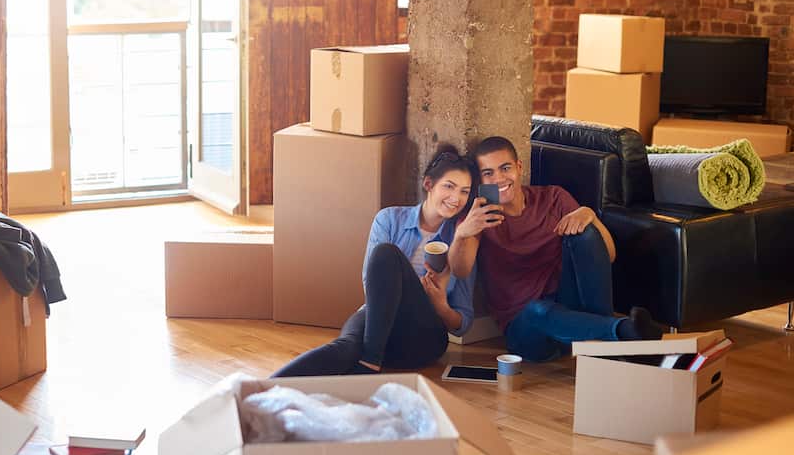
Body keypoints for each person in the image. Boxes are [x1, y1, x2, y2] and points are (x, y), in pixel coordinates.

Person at [447, 136, 661, 363]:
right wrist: (462, 234)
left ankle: (605, 342)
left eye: (505, 168)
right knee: (537, 310)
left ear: (519, 168)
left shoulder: (552, 198)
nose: (499, 178)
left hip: (569, 307)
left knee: (585, 231)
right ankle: (624, 332)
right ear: (480, 179)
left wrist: (590, 216)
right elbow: (460, 271)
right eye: (488, 173)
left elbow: (609, 254)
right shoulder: (479, 216)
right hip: (527, 330)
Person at [273, 146, 479, 377]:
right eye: (449, 186)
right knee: (345, 347)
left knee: (386, 254)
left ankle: (369, 362)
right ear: (428, 184)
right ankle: (261, 392)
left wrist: (440, 304)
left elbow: (463, 323)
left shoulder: (461, 240)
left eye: (464, 191)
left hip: (421, 342)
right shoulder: (390, 219)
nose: (456, 198)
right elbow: (371, 282)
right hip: (377, 329)